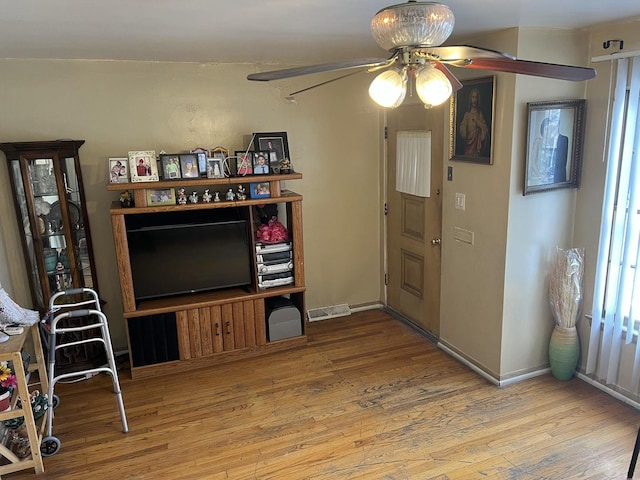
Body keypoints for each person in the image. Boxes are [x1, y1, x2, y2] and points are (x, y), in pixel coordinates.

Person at [529, 114, 569, 185]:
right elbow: (533, 163)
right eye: (546, 129)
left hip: (548, 179)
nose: (548, 131)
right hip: (537, 178)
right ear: (542, 129)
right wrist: (540, 175)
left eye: (550, 129)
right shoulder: (538, 142)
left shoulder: (552, 143)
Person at [458, 88, 489, 158]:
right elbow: (462, 128)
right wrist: (464, 129)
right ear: (470, 99)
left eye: (476, 97)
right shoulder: (467, 115)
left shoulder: (480, 114)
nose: (474, 100)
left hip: (476, 144)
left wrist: (480, 125)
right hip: (469, 144)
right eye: (473, 97)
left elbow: (484, 129)